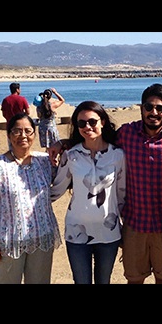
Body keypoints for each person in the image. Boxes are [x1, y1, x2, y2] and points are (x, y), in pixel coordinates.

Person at [49, 84, 162, 284]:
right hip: (135, 224)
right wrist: (64, 143)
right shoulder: (127, 134)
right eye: (149, 107)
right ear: (141, 108)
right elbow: (94, 138)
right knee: (134, 279)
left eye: (160, 108)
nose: (154, 112)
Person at [50, 101, 126, 284]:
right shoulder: (71, 155)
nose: (87, 127)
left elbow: (122, 195)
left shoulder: (118, 155)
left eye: (92, 121)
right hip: (76, 232)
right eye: (81, 123)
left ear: (103, 122)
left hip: (109, 232)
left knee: (103, 281)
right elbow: (56, 190)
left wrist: (127, 229)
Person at [0, 113, 61, 284]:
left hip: (42, 238)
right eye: (17, 131)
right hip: (9, 243)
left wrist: (62, 143)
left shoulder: (45, 161)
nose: (23, 136)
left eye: (28, 131)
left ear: (34, 134)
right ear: (9, 135)